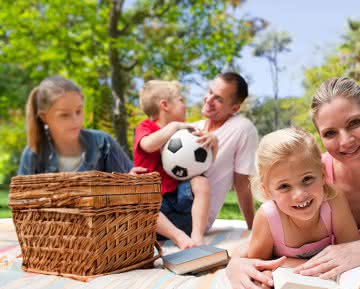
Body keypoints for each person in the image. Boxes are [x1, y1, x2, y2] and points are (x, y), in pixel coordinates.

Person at [226, 77, 360, 289]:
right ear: (321, 138)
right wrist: (234, 266)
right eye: (330, 133)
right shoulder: (310, 175)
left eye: (354, 123)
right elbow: (266, 234)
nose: (345, 141)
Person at [17, 75, 197, 250]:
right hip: (58, 240)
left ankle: (178, 234)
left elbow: (137, 194)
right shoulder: (34, 154)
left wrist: (129, 182)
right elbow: (23, 208)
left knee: (138, 194)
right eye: (64, 115)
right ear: (44, 117)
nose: (76, 120)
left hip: (105, 235)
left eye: (79, 111)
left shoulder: (102, 142)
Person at [236, 128, 360, 289]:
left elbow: (353, 250)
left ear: (323, 174)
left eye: (307, 179)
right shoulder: (268, 217)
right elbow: (258, 266)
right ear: (268, 190)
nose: (300, 195)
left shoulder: (333, 200)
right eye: (284, 186)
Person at [134, 80, 217, 247]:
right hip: (155, 211)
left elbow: (205, 163)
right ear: (164, 105)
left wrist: (214, 143)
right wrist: (173, 126)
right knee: (140, 199)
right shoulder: (145, 127)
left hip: (180, 203)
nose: (185, 106)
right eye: (181, 100)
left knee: (201, 181)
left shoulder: (185, 134)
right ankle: (178, 237)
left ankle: (197, 236)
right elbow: (148, 145)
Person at [190, 72, 258, 230]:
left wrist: (252, 227)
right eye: (210, 92)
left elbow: (242, 182)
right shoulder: (191, 129)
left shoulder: (242, 129)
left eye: (218, 99)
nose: (209, 100)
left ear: (234, 108)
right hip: (167, 204)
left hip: (191, 218)